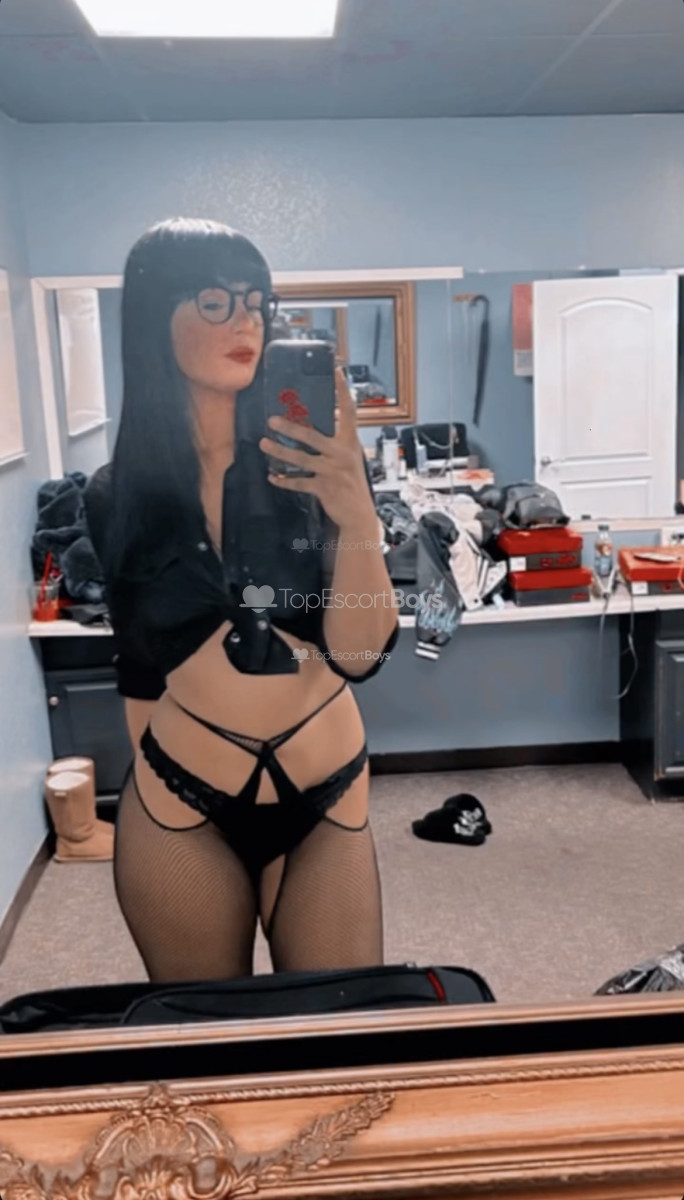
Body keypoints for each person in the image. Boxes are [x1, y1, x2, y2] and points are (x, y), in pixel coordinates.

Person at [84, 217, 399, 983]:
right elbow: (139, 666)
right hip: (181, 797)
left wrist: (355, 511)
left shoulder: (313, 470)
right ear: (154, 317)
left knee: (339, 1030)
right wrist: (148, 787)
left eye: (256, 302)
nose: (246, 322)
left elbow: (361, 654)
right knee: (208, 1036)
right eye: (215, 301)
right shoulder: (117, 494)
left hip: (322, 788)